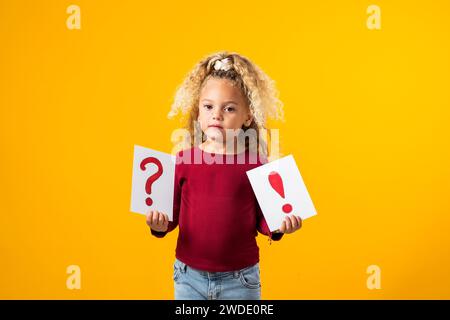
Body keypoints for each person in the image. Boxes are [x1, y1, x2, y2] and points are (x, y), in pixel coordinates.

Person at [146, 51, 302, 300]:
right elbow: (171, 218)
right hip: (189, 277)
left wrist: (281, 226)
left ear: (248, 116)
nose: (216, 114)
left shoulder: (256, 164)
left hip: (240, 280)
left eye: (229, 108)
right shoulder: (184, 161)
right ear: (198, 112)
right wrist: (158, 225)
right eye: (208, 107)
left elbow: (264, 222)